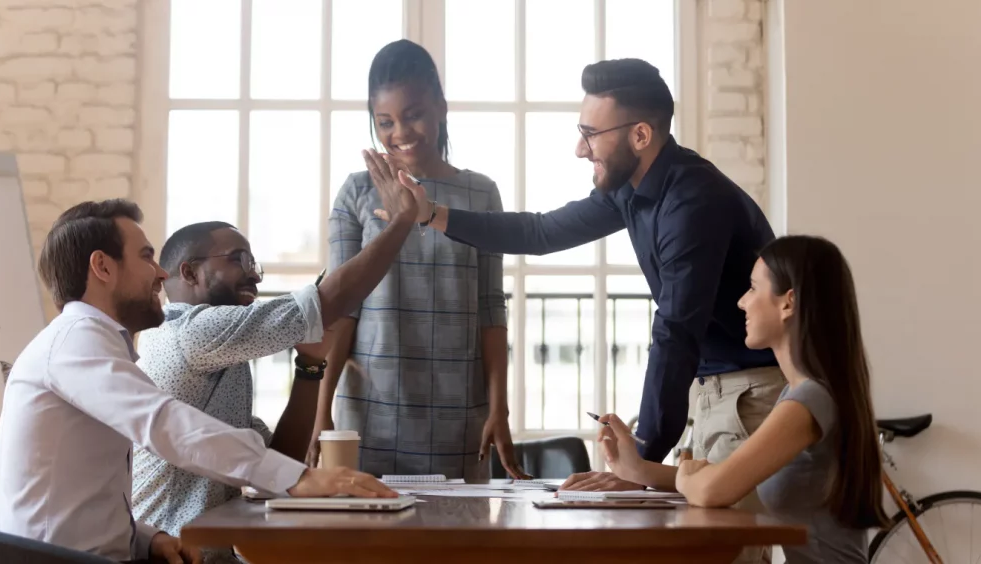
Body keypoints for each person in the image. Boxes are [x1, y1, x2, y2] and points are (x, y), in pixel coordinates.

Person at [373, 59, 782, 488]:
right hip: (716, 389)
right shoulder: (631, 189)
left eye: (590, 134)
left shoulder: (691, 202)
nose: (580, 149)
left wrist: (638, 463)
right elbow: (540, 231)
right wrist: (431, 213)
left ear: (640, 135)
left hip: (748, 392)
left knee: (725, 551)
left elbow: (675, 332)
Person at [0, 193, 414, 561]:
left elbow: (83, 499)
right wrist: (299, 478)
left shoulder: (91, 345)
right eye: (145, 256)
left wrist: (145, 538)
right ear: (102, 267)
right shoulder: (75, 341)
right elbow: (164, 423)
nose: (160, 273)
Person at [305, 39, 528, 481]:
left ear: (441, 108)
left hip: (459, 417)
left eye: (413, 115)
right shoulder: (356, 193)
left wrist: (498, 407)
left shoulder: (481, 193)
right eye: (384, 121)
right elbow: (340, 308)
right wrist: (320, 409)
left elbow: (490, 309)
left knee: (455, 547)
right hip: (366, 418)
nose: (400, 132)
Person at [597, 235, 890, 563]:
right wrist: (637, 469)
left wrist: (694, 474)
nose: (741, 302)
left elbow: (712, 489)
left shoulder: (809, 400)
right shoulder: (796, 394)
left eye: (752, 288)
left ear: (788, 303)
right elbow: (725, 476)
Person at [130, 222, 338, 563]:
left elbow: (281, 463)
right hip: (169, 556)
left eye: (253, 264)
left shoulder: (224, 355)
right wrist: (399, 223)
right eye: (238, 259)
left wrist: (310, 366)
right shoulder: (187, 331)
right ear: (189, 272)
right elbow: (327, 301)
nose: (254, 276)